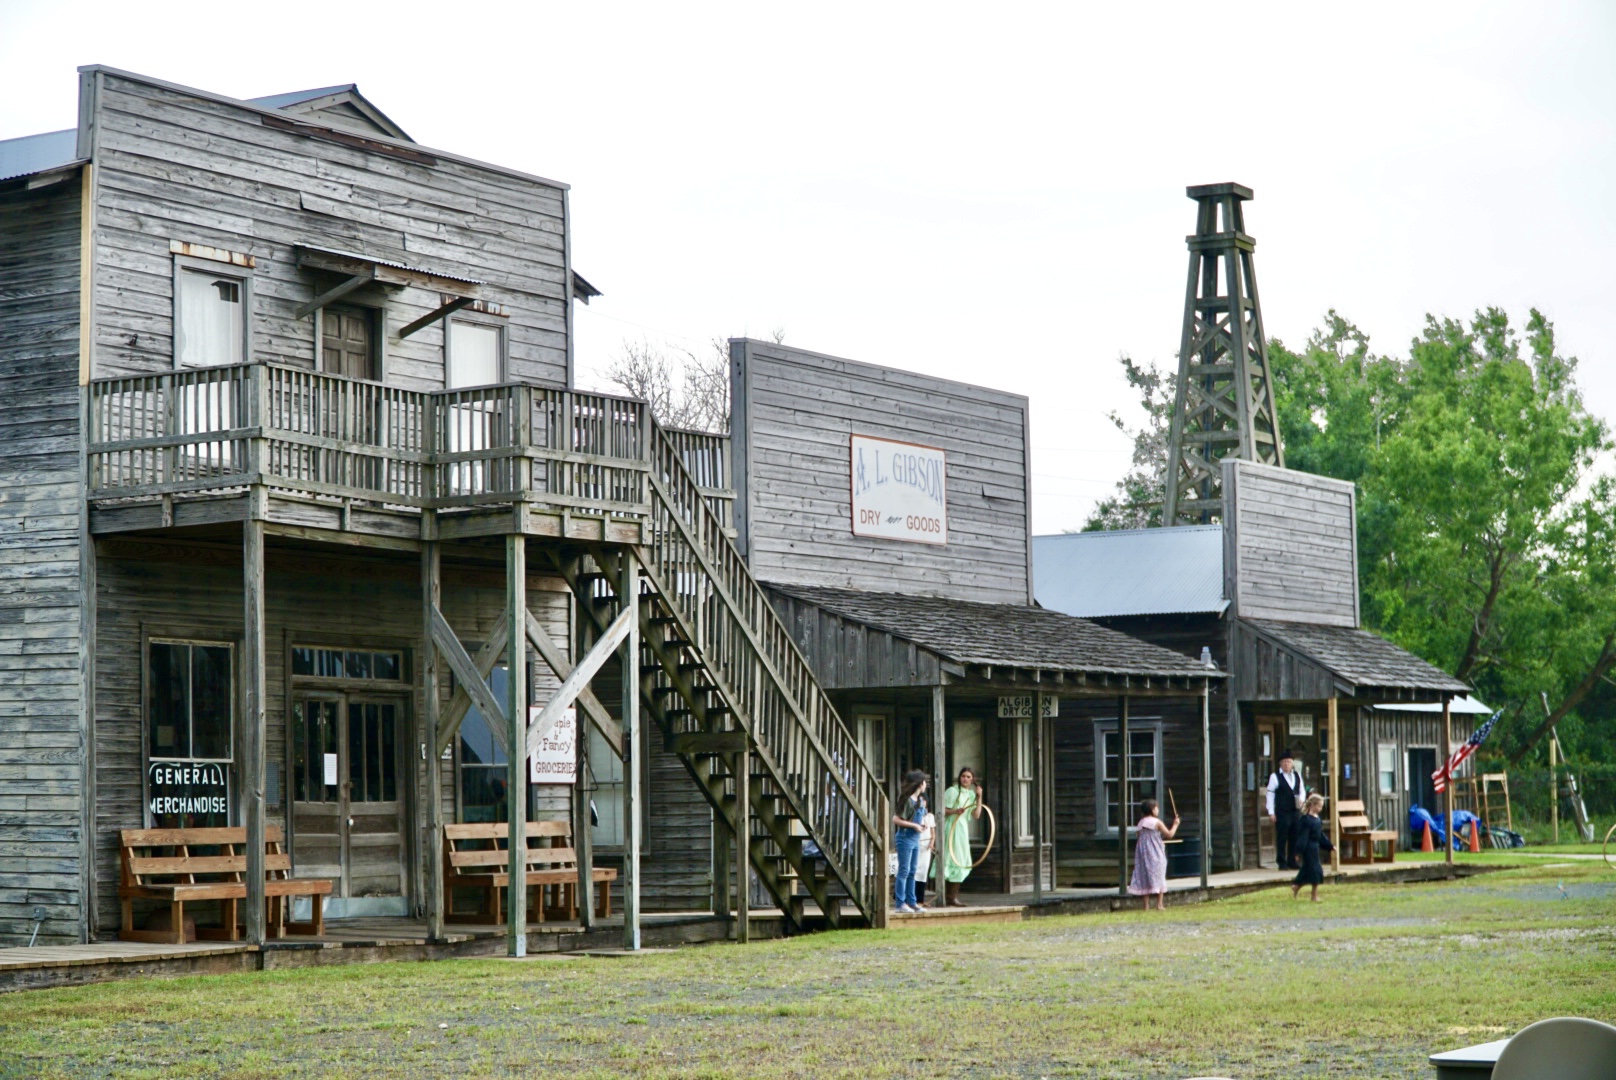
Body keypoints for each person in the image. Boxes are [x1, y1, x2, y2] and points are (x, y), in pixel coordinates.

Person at [941, 766, 985, 907]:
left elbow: (976, 815)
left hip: (962, 829)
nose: (965, 779)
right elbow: (941, 809)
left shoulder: (971, 795)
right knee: (950, 857)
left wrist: (979, 797)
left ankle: (952, 897)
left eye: (968, 777)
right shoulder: (953, 791)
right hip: (951, 827)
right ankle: (946, 896)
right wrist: (955, 811)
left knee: (961, 859)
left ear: (972, 780)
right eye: (963, 776)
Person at [1127, 797, 1180, 911]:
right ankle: (1159, 904)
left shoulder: (1140, 822)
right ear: (1152, 809)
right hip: (1156, 853)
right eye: (1156, 808)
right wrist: (1175, 824)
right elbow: (1169, 834)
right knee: (1159, 876)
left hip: (1143, 855)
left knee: (1145, 877)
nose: (1158, 810)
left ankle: (1146, 906)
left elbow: (1138, 835)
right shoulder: (1156, 822)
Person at [891, 770, 928, 913]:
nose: (925, 785)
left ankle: (912, 902)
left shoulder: (920, 801)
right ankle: (900, 904)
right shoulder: (907, 800)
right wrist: (915, 825)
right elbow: (896, 819)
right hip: (904, 838)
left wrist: (922, 825)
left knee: (913, 871)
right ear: (919, 784)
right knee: (904, 870)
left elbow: (918, 818)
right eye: (924, 782)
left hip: (915, 839)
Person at [1266, 748, 1307, 869]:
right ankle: (1281, 862)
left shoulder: (1297, 775)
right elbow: (1270, 794)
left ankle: (1292, 861)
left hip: (1295, 811)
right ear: (1280, 763)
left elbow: (1302, 791)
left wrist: (1302, 800)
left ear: (1292, 763)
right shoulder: (1275, 777)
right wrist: (1271, 812)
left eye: (1289, 761)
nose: (1286, 764)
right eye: (1284, 762)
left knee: (1294, 836)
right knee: (1282, 837)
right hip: (1282, 812)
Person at [1291, 793, 1333, 902]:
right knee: (1316, 872)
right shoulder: (1306, 820)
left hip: (1315, 847)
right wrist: (1298, 852)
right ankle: (1313, 896)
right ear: (1312, 805)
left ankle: (1296, 886)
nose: (1320, 808)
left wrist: (1330, 846)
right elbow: (1302, 837)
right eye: (1319, 806)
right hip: (1308, 848)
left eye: (1321, 806)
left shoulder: (1318, 819)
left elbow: (1320, 835)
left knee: (1308, 871)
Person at [913, 809, 937, 909]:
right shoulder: (913, 814)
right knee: (914, 872)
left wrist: (931, 843)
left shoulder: (930, 816)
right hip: (916, 845)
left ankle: (920, 900)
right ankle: (912, 900)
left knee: (923, 872)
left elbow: (932, 833)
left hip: (925, 848)